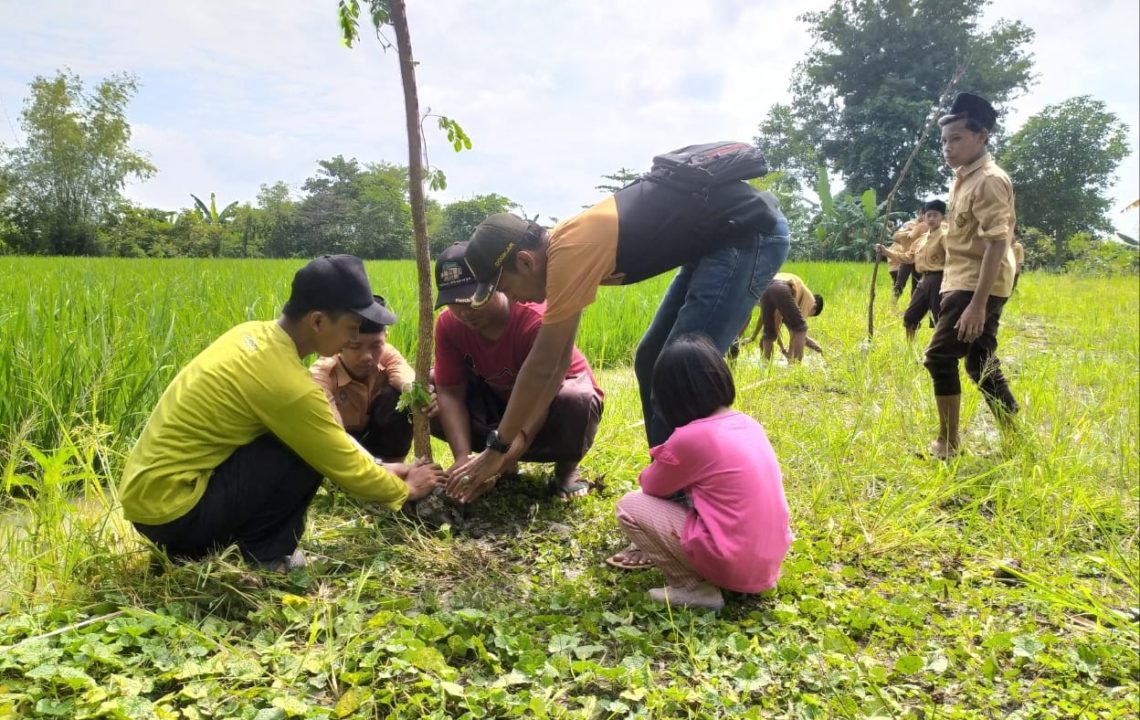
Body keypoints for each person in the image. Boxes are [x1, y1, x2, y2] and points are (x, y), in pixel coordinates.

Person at [452, 149, 791, 494]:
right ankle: (669, 478)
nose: (514, 299)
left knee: (683, 371)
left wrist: (497, 448)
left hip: (749, 236)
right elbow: (554, 368)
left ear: (525, 262)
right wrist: (515, 444)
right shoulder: (564, 249)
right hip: (715, 243)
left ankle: (698, 490)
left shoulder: (569, 252)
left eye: (506, 287)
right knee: (650, 359)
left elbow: (541, 364)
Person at [118, 255, 446, 571]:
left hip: (152, 504)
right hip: (176, 514)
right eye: (352, 327)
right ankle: (264, 556)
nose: (353, 337)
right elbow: (342, 463)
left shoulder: (250, 334)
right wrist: (404, 490)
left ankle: (217, 544)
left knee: (298, 438)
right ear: (317, 321)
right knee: (305, 448)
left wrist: (383, 467)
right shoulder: (289, 387)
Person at [608, 334, 792, 610]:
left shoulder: (691, 438)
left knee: (629, 505)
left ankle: (692, 587)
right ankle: (749, 577)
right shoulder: (748, 423)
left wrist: (666, 452)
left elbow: (652, 487)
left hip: (733, 562)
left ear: (670, 397)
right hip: (769, 564)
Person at [431, 243, 604, 503]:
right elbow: (451, 391)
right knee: (433, 389)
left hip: (548, 399)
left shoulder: (532, 320)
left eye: (472, 299)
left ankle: (565, 471)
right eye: (454, 303)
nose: (464, 311)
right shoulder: (448, 325)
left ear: (495, 284)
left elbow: (541, 392)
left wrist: (500, 457)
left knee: (577, 399)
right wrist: (462, 459)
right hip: (500, 401)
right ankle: (494, 462)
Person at [923, 93, 1019, 459]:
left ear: (981, 136)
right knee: (979, 361)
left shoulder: (990, 180)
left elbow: (998, 243)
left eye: (956, 139)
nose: (947, 148)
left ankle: (948, 443)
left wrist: (977, 305)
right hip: (961, 280)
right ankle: (1012, 429)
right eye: (944, 141)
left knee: (939, 358)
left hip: (976, 285)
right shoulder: (963, 178)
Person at [310, 304, 416, 463]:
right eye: (355, 347)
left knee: (402, 397)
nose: (367, 356)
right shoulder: (322, 374)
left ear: (386, 337)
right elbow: (333, 435)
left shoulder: (387, 353)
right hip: (340, 446)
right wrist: (378, 469)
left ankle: (395, 464)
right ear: (340, 344)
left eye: (375, 345)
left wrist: (416, 394)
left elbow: (406, 378)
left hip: (375, 438)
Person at [877, 199, 948, 342]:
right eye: (929, 215)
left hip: (939, 280)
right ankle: (911, 348)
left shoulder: (945, 236)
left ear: (942, 218)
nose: (932, 218)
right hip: (924, 280)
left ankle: (940, 351)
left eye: (935, 215)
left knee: (939, 318)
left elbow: (954, 258)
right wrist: (886, 252)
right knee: (910, 316)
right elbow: (909, 257)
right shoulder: (922, 239)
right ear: (924, 218)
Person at [741, 272, 823, 362]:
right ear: (814, 307)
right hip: (782, 287)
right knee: (801, 329)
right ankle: (796, 367)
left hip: (766, 286)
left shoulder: (791, 301)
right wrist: (789, 353)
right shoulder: (810, 300)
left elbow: (771, 322)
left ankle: (764, 365)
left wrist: (819, 349)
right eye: (810, 314)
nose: (807, 315)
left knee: (768, 334)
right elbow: (797, 332)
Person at [891, 213, 923, 302]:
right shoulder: (909, 224)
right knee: (900, 282)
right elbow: (895, 236)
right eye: (924, 214)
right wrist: (910, 232)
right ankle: (893, 303)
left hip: (919, 260)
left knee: (917, 284)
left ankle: (913, 305)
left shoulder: (928, 227)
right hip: (907, 257)